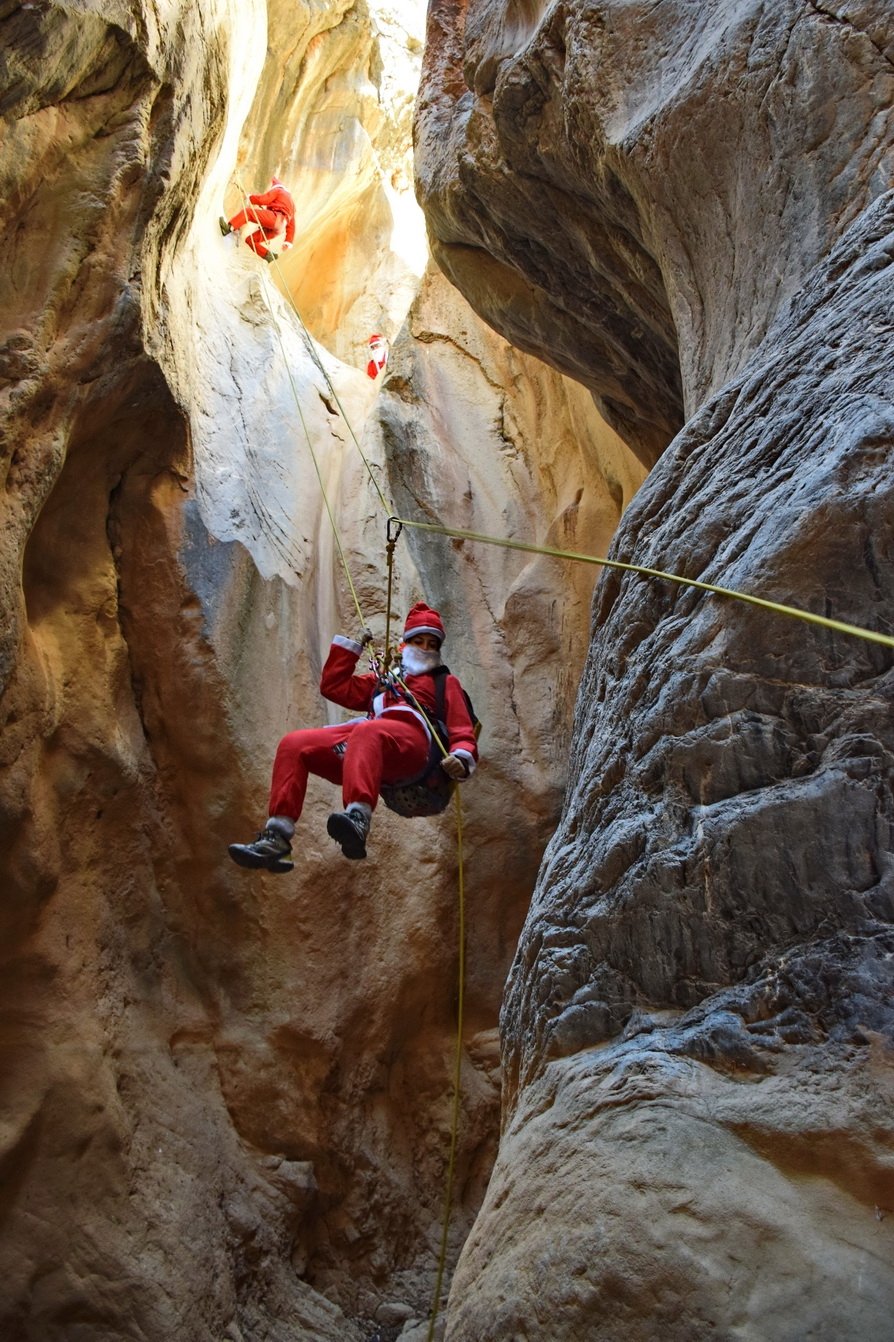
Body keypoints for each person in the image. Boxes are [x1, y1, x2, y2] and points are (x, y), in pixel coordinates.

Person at [228, 603, 478, 872]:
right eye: (419, 641)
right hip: (372, 745)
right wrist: (353, 648)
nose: (426, 649)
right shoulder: (386, 680)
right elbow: (335, 687)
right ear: (405, 643)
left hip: (414, 747)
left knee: (367, 731)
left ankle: (358, 817)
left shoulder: (444, 683)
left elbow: (461, 729)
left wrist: (462, 758)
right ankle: (277, 837)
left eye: (432, 644)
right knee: (295, 744)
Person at [219, 177, 296, 263]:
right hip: (279, 228)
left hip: (275, 219)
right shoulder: (292, 204)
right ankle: (268, 255)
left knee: (248, 213)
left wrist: (250, 198)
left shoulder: (278, 191)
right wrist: (288, 241)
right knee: (250, 240)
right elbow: (292, 225)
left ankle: (229, 228)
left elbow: (263, 199)